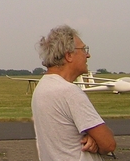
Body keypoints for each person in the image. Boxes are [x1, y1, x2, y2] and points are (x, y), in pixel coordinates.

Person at [31, 25, 116, 160]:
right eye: (83, 49)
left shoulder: (41, 87)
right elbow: (109, 144)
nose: (88, 55)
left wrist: (93, 138)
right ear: (69, 55)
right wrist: (98, 140)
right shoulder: (69, 92)